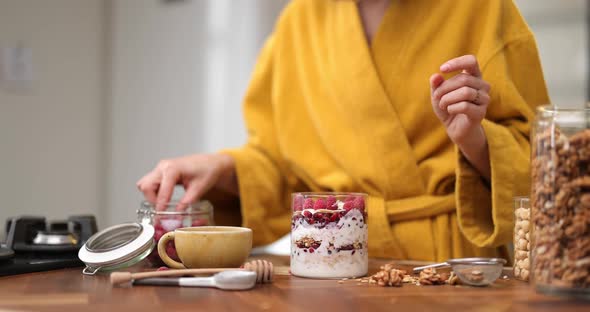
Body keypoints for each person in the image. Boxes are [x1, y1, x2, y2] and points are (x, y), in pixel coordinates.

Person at [137, 0, 549, 261]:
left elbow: (542, 167)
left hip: (451, 266)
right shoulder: (299, 20)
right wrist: (221, 166)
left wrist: (472, 139)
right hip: (332, 266)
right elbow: (282, 166)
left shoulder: (484, 8)